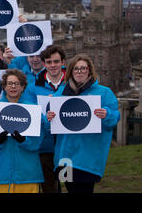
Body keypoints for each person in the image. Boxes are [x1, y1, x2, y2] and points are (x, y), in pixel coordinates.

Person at [47, 54, 120, 193]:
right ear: (70, 71)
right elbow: (49, 120)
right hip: (65, 158)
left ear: (89, 71)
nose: (79, 72)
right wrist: (49, 116)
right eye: (76, 69)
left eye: (83, 68)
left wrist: (107, 114)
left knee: (84, 190)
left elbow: (114, 119)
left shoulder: (104, 93)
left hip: (88, 158)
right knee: (70, 189)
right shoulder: (61, 92)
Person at [0, 69, 45, 193]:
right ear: (4, 86)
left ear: (23, 87)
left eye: (17, 83)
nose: (13, 87)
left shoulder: (33, 109)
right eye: (9, 83)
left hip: (27, 174)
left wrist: (25, 140)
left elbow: (37, 142)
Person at [23, 45, 67, 193]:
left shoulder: (72, 84)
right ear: (44, 64)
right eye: (49, 62)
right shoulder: (32, 87)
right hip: (45, 147)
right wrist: (45, 117)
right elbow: (30, 113)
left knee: (69, 183)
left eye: (56, 61)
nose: (53, 65)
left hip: (67, 146)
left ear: (63, 62)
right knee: (50, 187)